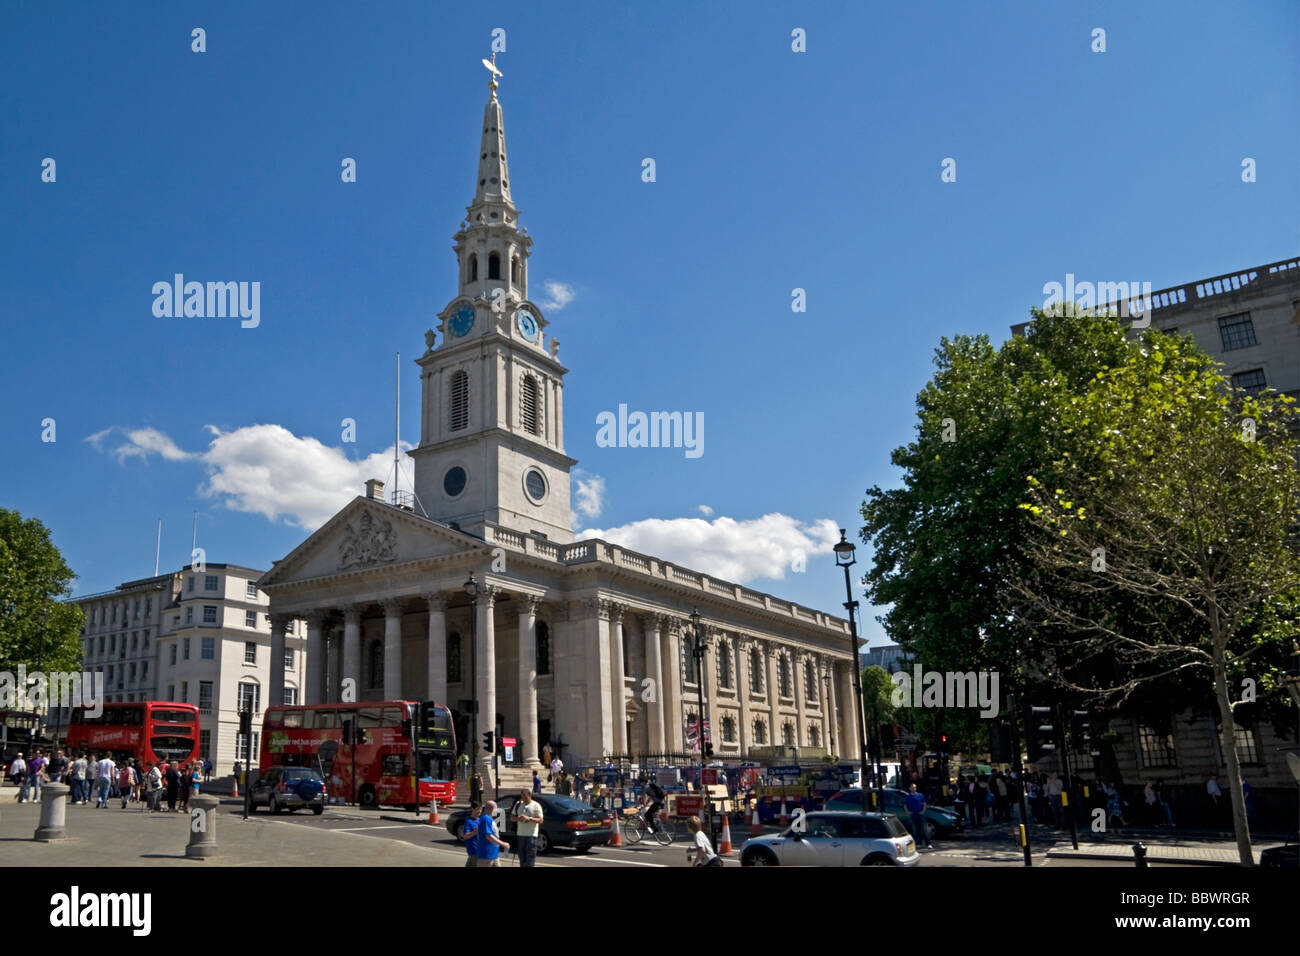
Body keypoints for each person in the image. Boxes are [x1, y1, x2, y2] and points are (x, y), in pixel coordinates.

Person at [513, 788, 544, 868]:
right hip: (520, 834)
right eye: (522, 796)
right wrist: (518, 818)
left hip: (531, 836)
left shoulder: (536, 805)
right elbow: (512, 817)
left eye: (525, 797)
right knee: (522, 858)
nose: (523, 798)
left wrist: (530, 818)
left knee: (530, 859)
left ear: (529, 795)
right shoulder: (518, 804)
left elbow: (541, 820)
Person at [475, 800, 510, 867]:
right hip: (486, 855)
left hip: (493, 854)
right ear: (492, 809)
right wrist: (503, 843)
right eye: (496, 809)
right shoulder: (486, 819)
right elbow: (489, 836)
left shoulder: (489, 819)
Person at [905, 783, 932, 849]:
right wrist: (908, 812)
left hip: (921, 815)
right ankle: (918, 843)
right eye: (912, 787)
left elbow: (925, 804)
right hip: (913, 815)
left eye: (914, 787)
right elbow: (905, 805)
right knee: (915, 830)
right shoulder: (908, 797)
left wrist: (923, 811)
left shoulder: (921, 795)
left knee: (925, 830)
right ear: (910, 788)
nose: (913, 789)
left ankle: (928, 843)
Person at [460, 802, 483, 867]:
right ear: (472, 809)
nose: (480, 811)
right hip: (474, 851)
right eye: (478, 809)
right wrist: (474, 832)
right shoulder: (468, 822)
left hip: (481, 851)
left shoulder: (479, 819)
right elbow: (465, 836)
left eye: (481, 809)